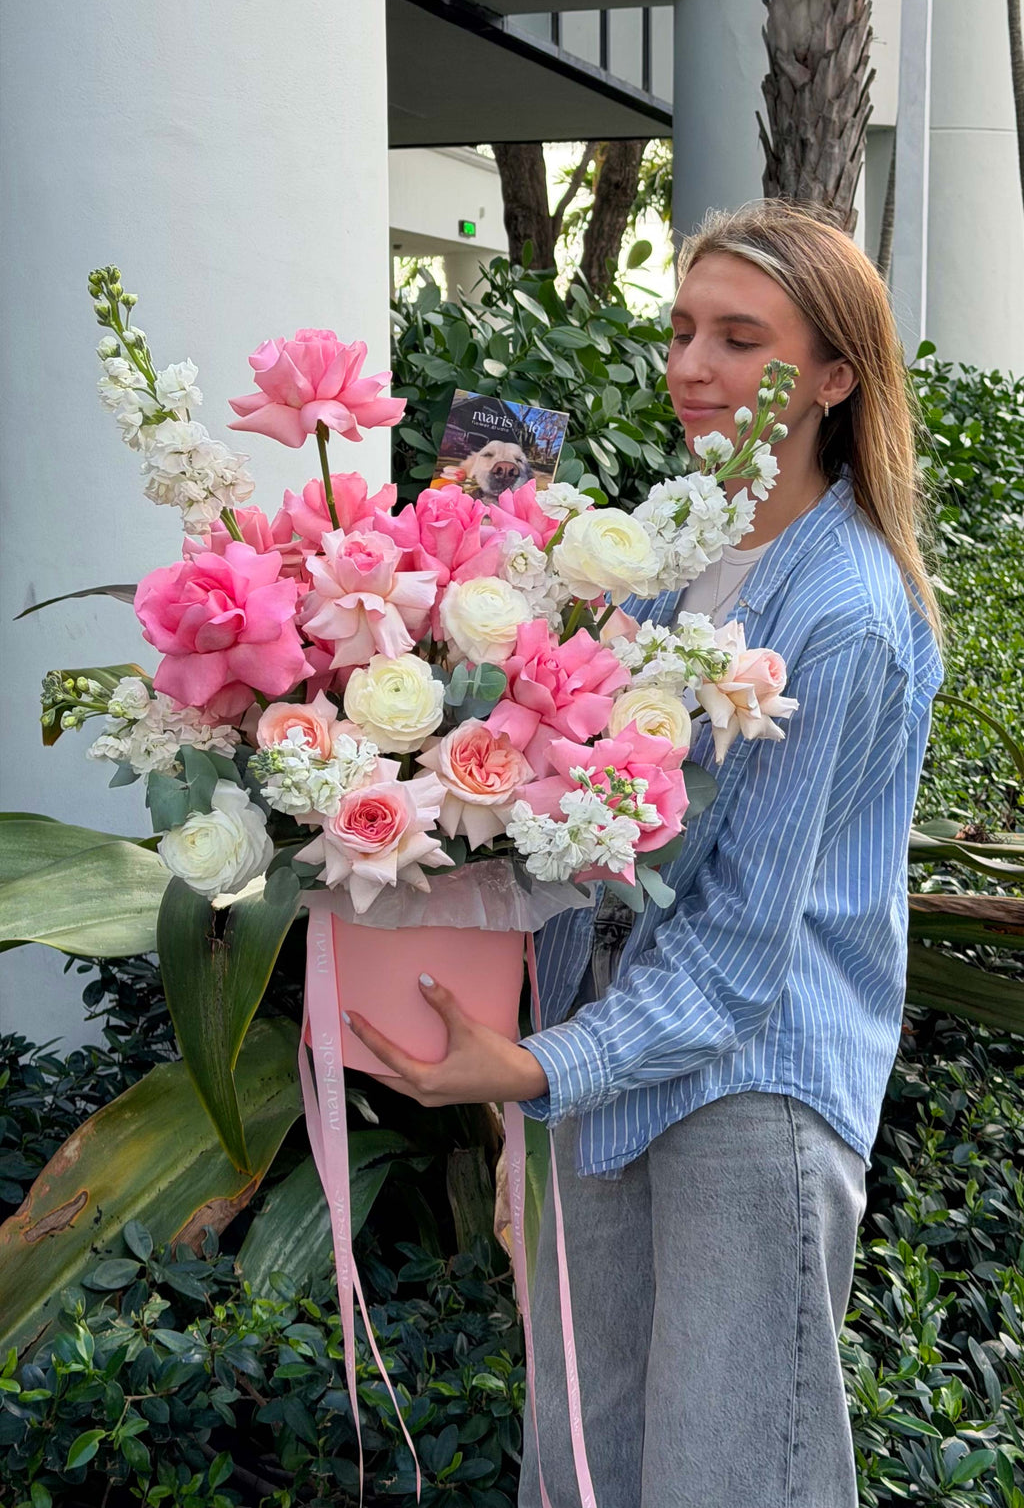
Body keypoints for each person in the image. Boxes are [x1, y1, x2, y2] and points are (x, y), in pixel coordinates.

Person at [345, 198, 944, 1508]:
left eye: (741, 338)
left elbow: (736, 952)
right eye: (683, 330)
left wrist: (537, 1066)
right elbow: (604, 835)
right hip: (611, 1080)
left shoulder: (842, 610)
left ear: (835, 377)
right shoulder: (681, 561)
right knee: (586, 1470)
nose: (691, 365)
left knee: (728, 1479)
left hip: (751, 1096)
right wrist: (384, 840)